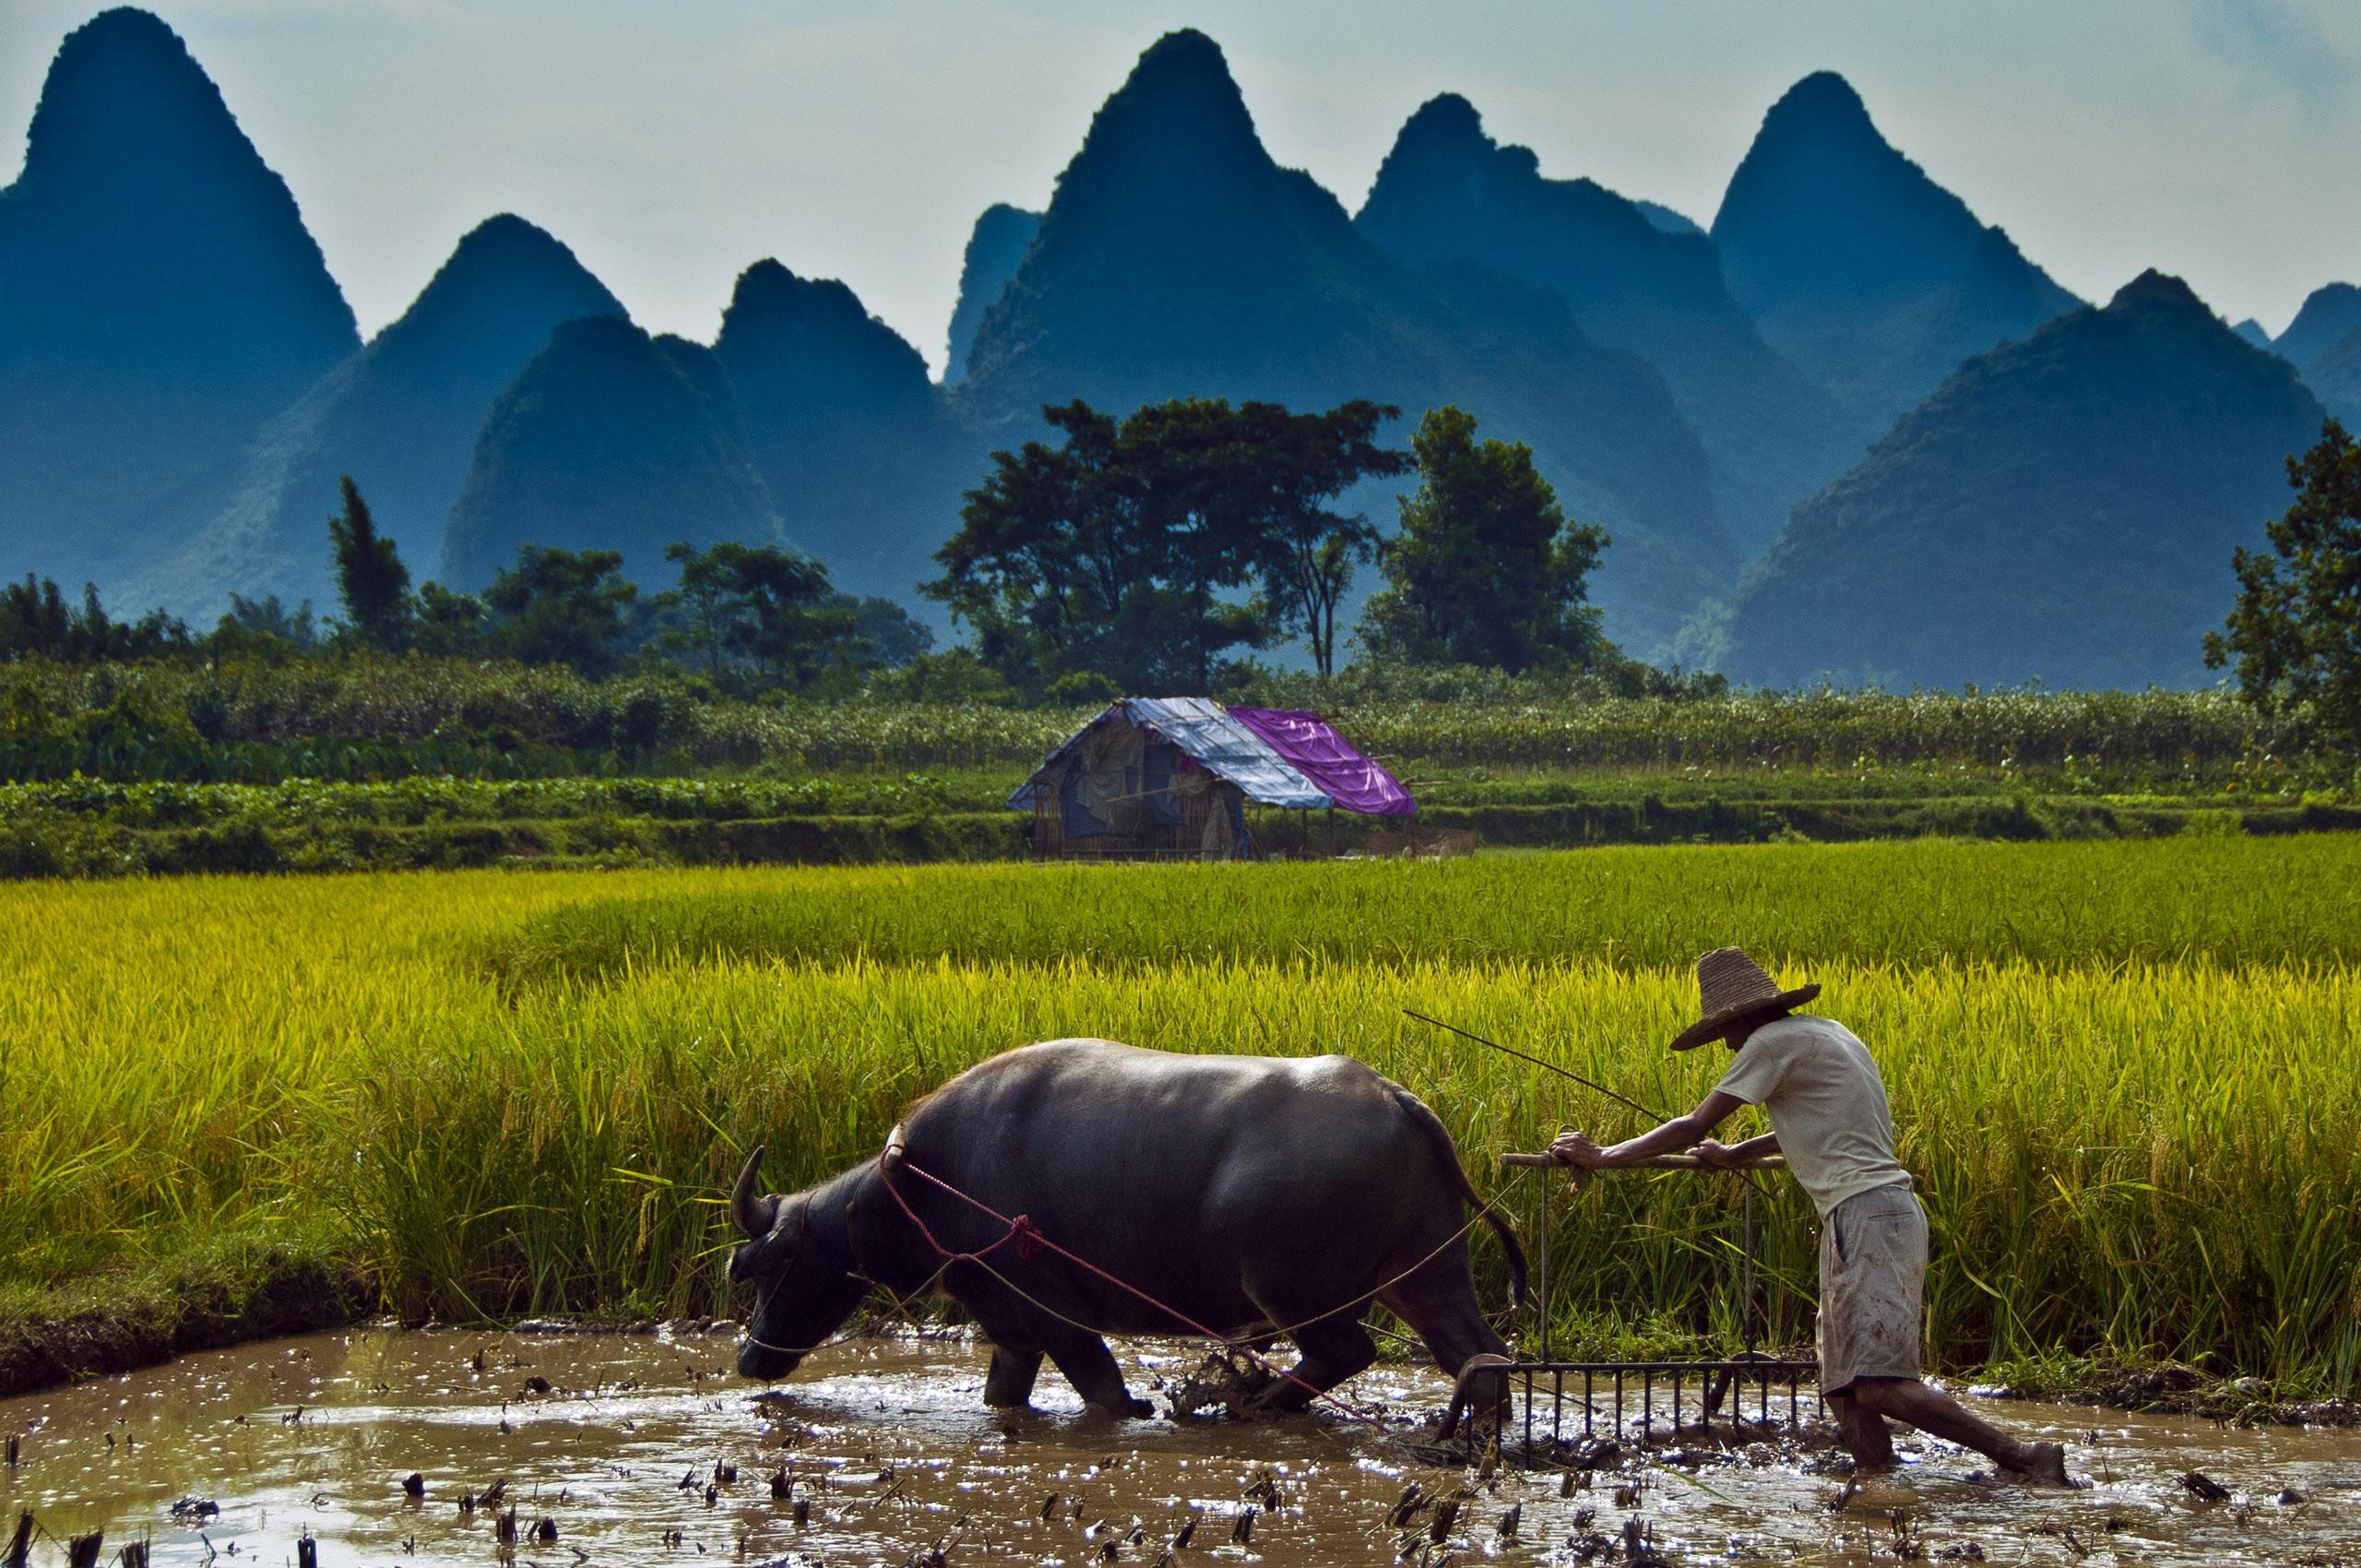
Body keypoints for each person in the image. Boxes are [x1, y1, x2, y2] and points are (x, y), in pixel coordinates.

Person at [1549, 946, 2070, 1485]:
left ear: (1745, 1017)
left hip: (1868, 1216)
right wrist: (1735, 1157)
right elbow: (1810, 1123)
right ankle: (1878, 1486)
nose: (1727, 1042)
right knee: (1842, 1384)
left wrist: (1603, 1155)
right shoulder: (1828, 1033)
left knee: (1877, 1383)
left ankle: (2024, 1457)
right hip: (1868, 1217)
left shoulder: (1769, 1043)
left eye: (1726, 1029)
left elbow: (1692, 1127)